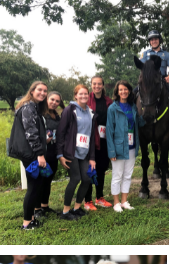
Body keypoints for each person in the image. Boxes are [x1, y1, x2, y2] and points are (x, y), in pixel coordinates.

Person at [8, 82, 49, 230]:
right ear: (32, 91)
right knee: (33, 187)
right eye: (39, 90)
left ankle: (31, 218)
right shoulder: (28, 108)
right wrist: (40, 154)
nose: (43, 93)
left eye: (45, 91)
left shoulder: (33, 107)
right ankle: (26, 223)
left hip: (31, 153)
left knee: (35, 186)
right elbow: (31, 133)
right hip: (31, 154)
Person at [57, 84, 98, 221]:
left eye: (86, 94)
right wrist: (60, 155)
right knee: (75, 179)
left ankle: (76, 208)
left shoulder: (91, 113)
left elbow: (91, 137)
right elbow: (61, 133)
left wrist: (92, 157)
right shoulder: (70, 110)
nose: (83, 96)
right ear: (75, 95)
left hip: (84, 153)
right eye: (80, 94)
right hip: (71, 152)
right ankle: (65, 212)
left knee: (87, 179)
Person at [107, 80, 146, 213]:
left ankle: (124, 201)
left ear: (129, 91)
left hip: (132, 146)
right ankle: (116, 202)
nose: (123, 92)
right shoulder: (113, 108)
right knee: (117, 175)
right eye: (120, 90)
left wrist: (145, 113)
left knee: (128, 175)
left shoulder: (133, 106)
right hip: (118, 148)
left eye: (125, 89)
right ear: (117, 92)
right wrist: (111, 151)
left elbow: (139, 124)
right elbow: (109, 131)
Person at [140, 30, 169, 128]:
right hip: (149, 81)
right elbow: (142, 68)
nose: (154, 41)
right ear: (149, 42)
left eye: (156, 39)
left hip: (163, 79)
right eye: (152, 40)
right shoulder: (145, 54)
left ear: (159, 40)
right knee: (135, 93)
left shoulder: (166, 54)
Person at [84, 75, 114, 211]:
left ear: (103, 85)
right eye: (94, 84)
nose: (97, 86)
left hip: (104, 140)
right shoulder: (86, 99)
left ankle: (100, 197)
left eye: (99, 84)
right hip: (89, 142)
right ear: (91, 85)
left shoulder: (109, 101)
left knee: (101, 169)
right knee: (89, 170)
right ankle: (87, 200)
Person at [35, 91, 63, 219]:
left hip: (53, 153)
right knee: (40, 181)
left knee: (48, 181)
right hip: (43, 154)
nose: (54, 103)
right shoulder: (40, 115)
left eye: (57, 101)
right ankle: (36, 209)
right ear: (47, 99)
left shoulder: (57, 117)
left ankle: (45, 206)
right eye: (52, 99)